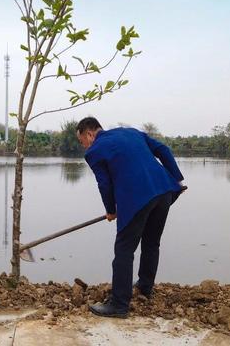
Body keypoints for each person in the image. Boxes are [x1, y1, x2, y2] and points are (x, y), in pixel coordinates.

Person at [76, 117, 185, 318]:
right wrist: (177, 178)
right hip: (163, 191)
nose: (84, 146)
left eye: (82, 141)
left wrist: (111, 209)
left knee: (124, 249)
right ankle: (144, 288)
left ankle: (119, 305)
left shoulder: (94, 151)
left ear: (89, 134)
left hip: (138, 199)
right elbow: (163, 150)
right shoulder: (131, 132)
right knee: (152, 243)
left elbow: (104, 184)